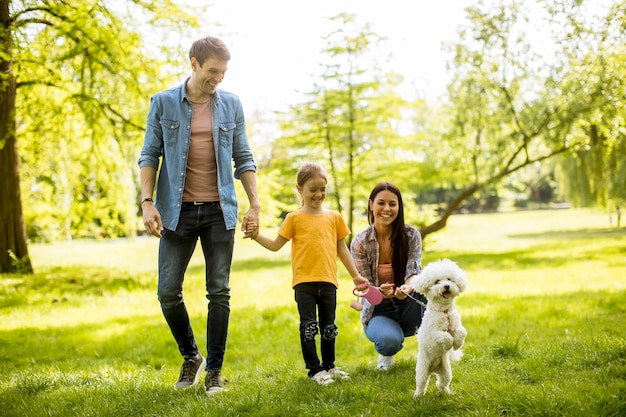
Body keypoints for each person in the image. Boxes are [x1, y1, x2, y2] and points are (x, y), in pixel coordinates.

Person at [137, 36, 260, 396]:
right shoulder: (162, 104)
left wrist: (254, 204)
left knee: (218, 291)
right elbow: (149, 155)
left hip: (219, 211)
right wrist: (147, 202)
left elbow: (244, 158)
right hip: (176, 213)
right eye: (212, 71)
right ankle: (192, 355)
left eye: (223, 72)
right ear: (193, 63)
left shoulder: (231, 105)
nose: (218, 78)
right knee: (167, 291)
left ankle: (215, 372)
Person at [246, 162, 368, 385]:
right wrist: (256, 236)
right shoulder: (294, 219)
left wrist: (355, 275)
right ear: (299, 189)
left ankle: (330, 366)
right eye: (313, 189)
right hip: (304, 283)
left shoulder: (334, 218)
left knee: (329, 327)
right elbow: (275, 245)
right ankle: (315, 370)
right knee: (309, 327)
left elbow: (342, 249)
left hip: (329, 281)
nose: (319, 194)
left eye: (323, 188)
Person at [350, 182, 426, 370]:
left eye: (392, 204)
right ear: (371, 205)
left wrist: (407, 288)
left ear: (399, 207)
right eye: (381, 203)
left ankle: (434, 356)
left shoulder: (411, 235)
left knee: (434, 288)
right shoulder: (360, 243)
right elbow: (364, 287)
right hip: (379, 309)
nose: (387, 209)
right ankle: (388, 351)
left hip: (409, 303)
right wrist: (379, 292)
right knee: (389, 342)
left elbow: (413, 271)